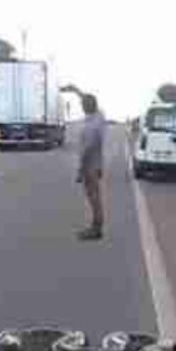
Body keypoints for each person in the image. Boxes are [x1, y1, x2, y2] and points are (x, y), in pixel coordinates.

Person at [76, 93, 106, 241]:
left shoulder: (90, 126)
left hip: (90, 166)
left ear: (86, 107)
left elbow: (86, 151)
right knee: (96, 197)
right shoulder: (99, 118)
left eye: (82, 104)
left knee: (93, 197)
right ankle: (96, 227)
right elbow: (91, 100)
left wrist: (79, 171)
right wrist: (77, 91)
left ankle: (96, 229)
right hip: (97, 164)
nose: (81, 106)